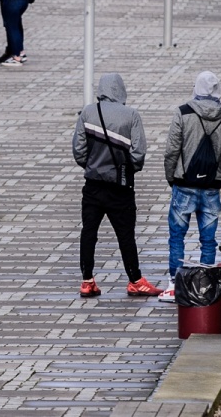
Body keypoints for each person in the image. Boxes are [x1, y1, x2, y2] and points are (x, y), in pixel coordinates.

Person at [72, 73, 164, 299]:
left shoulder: (87, 112)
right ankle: (135, 280)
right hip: (120, 187)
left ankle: (87, 280)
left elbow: (78, 150)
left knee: (89, 232)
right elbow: (139, 152)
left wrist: (92, 166)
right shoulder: (131, 115)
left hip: (92, 186)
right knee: (125, 235)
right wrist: (128, 169)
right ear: (121, 89)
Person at [159, 71, 221, 302]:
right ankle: (205, 286)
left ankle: (175, 284)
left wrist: (171, 178)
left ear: (196, 87)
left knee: (177, 237)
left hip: (184, 185)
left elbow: (171, 151)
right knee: (208, 239)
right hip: (211, 187)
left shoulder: (183, 113)